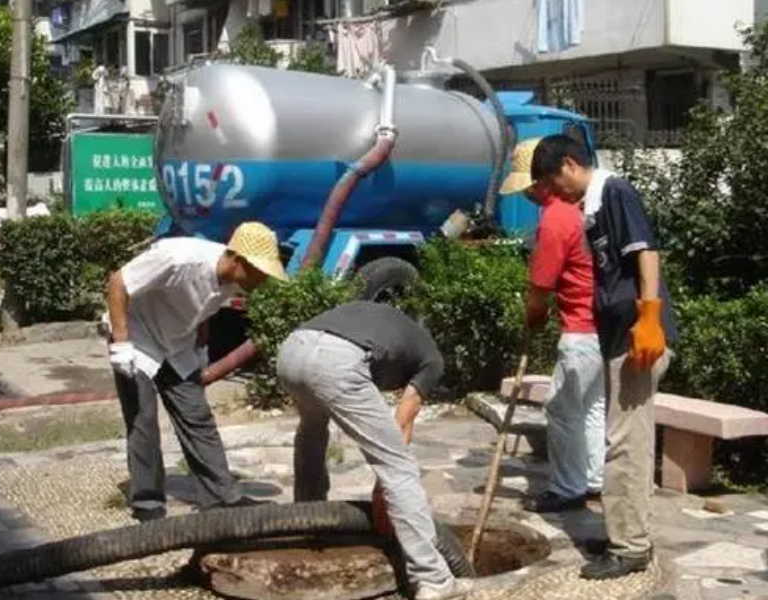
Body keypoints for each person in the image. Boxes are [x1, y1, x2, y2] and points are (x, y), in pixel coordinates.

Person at [531, 135, 678, 580]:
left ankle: (630, 547)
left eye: (553, 181)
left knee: (626, 444)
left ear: (570, 164)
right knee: (622, 440)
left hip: (638, 339)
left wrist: (649, 316)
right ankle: (625, 532)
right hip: (616, 339)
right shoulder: (591, 206)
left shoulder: (614, 191)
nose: (554, 193)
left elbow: (645, 251)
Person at [276, 301, 472, 600]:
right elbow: (403, 421)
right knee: (399, 466)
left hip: (292, 350)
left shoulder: (384, 322)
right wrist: (383, 491)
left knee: (311, 431)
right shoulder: (432, 359)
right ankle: (432, 578)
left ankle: (308, 520)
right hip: (337, 361)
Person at [105, 221, 288, 522]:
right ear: (238, 259)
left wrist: (201, 345)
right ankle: (148, 505)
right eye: (260, 271)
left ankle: (221, 497)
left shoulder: (231, 280)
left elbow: (202, 307)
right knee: (142, 419)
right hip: (138, 337)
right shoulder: (178, 258)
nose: (263, 280)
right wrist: (121, 343)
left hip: (177, 346)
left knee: (197, 417)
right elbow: (117, 283)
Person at [500, 138, 605, 514]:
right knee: (591, 407)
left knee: (562, 409)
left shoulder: (556, 218)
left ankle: (567, 488)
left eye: (529, 186)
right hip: (602, 327)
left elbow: (541, 286)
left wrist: (534, 315)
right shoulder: (578, 209)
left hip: (581, 329)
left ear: (542, 181)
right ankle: (593, 479)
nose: (526, 195)